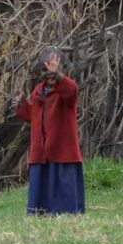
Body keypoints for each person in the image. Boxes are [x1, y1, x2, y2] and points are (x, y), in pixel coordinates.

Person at [15, 47, 85, 215]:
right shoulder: (39, 90)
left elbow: (71, 91)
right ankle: (41, 212)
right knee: (42, 185)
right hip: (41, 153)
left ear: (61, 70)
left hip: (62, 152)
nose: (50, 75)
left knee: (63, 185)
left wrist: (58, 76)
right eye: (47, 71)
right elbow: (32, 116)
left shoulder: (67, 89)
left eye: (54, 72)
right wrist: (21, 103)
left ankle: (67, 213)